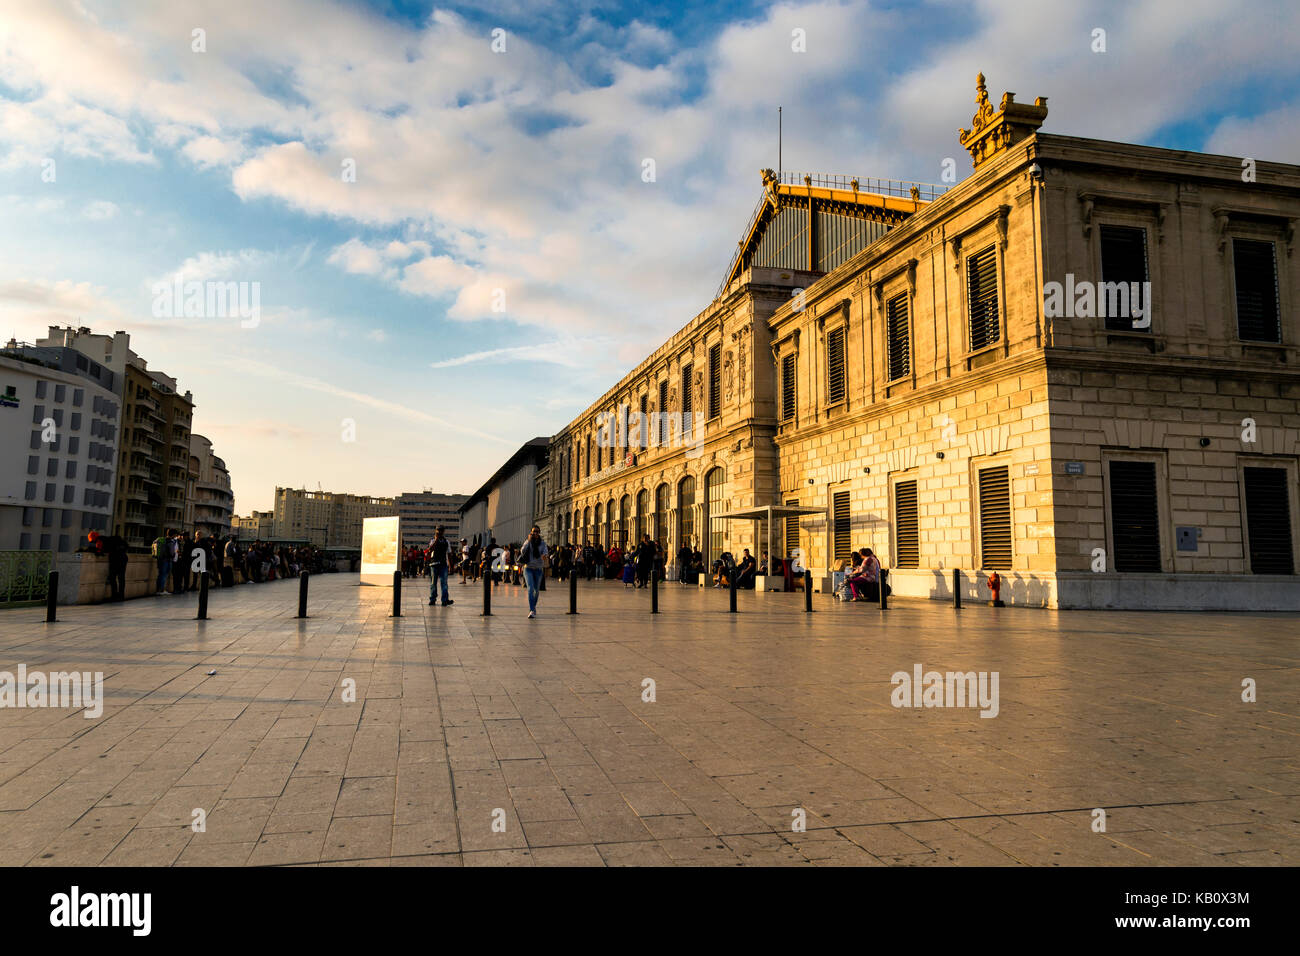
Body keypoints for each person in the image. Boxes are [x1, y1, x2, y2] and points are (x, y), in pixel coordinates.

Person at [519, 525, 549, 618]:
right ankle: (532, 610)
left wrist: (544, 556)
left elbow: (545, 552)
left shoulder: (542, 543)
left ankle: (533, 607)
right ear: (531, 533)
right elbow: (522, 551)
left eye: (536, 531)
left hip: (538, 569)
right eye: (533, 532)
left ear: (539, 533)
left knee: (536, 591)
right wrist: (528, 541)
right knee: (530, 589)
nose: (535, 533)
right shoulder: (528, 542)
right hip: (528, 568)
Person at [427, 525, 453, 606]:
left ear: (443, 531)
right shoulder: (432, 540)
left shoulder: (446, 541)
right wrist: (436, 540)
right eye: (438, 530)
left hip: (443, 564)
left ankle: (444, 600)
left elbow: (449, 554)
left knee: (444, 583)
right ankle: (432, 599)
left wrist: (450, 566)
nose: (440, 532)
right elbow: (430, 550)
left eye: (441, 530)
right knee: (433, 583)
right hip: (434, 564)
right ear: (436, 531)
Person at [103, 531, 128, 601]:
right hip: (123, 559)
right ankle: (121, 596)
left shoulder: (109, 542)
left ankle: (114, 595)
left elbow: (105, 550)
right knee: (121, 579)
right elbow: (127, 547)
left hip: (115, 561)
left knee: (112, 578)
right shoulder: (122, 542)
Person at [152, 528, 172, 595]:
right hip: (166, 560)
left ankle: (158, 590)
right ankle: (162, 590)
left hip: (160, 559)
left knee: (160, 575)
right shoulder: (169, 541)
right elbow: (171, 552)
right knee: (164, 575)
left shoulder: (161, 540)